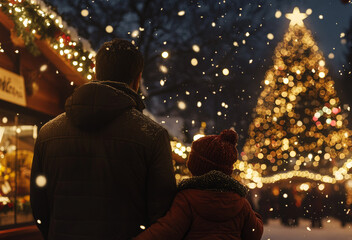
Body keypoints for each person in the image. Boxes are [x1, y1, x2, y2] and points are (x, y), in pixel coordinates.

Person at [30, 39, 177, 240]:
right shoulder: (152, 135)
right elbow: (161, 214)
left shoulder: (48, 133)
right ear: (137, 80)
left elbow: (40, 209)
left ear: (96, 74)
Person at [134, 129, 263, 240]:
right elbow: (255, 233)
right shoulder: (240, 202)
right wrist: (255, 216)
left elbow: (165, 231)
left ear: (195, 166)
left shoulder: (187, 199)